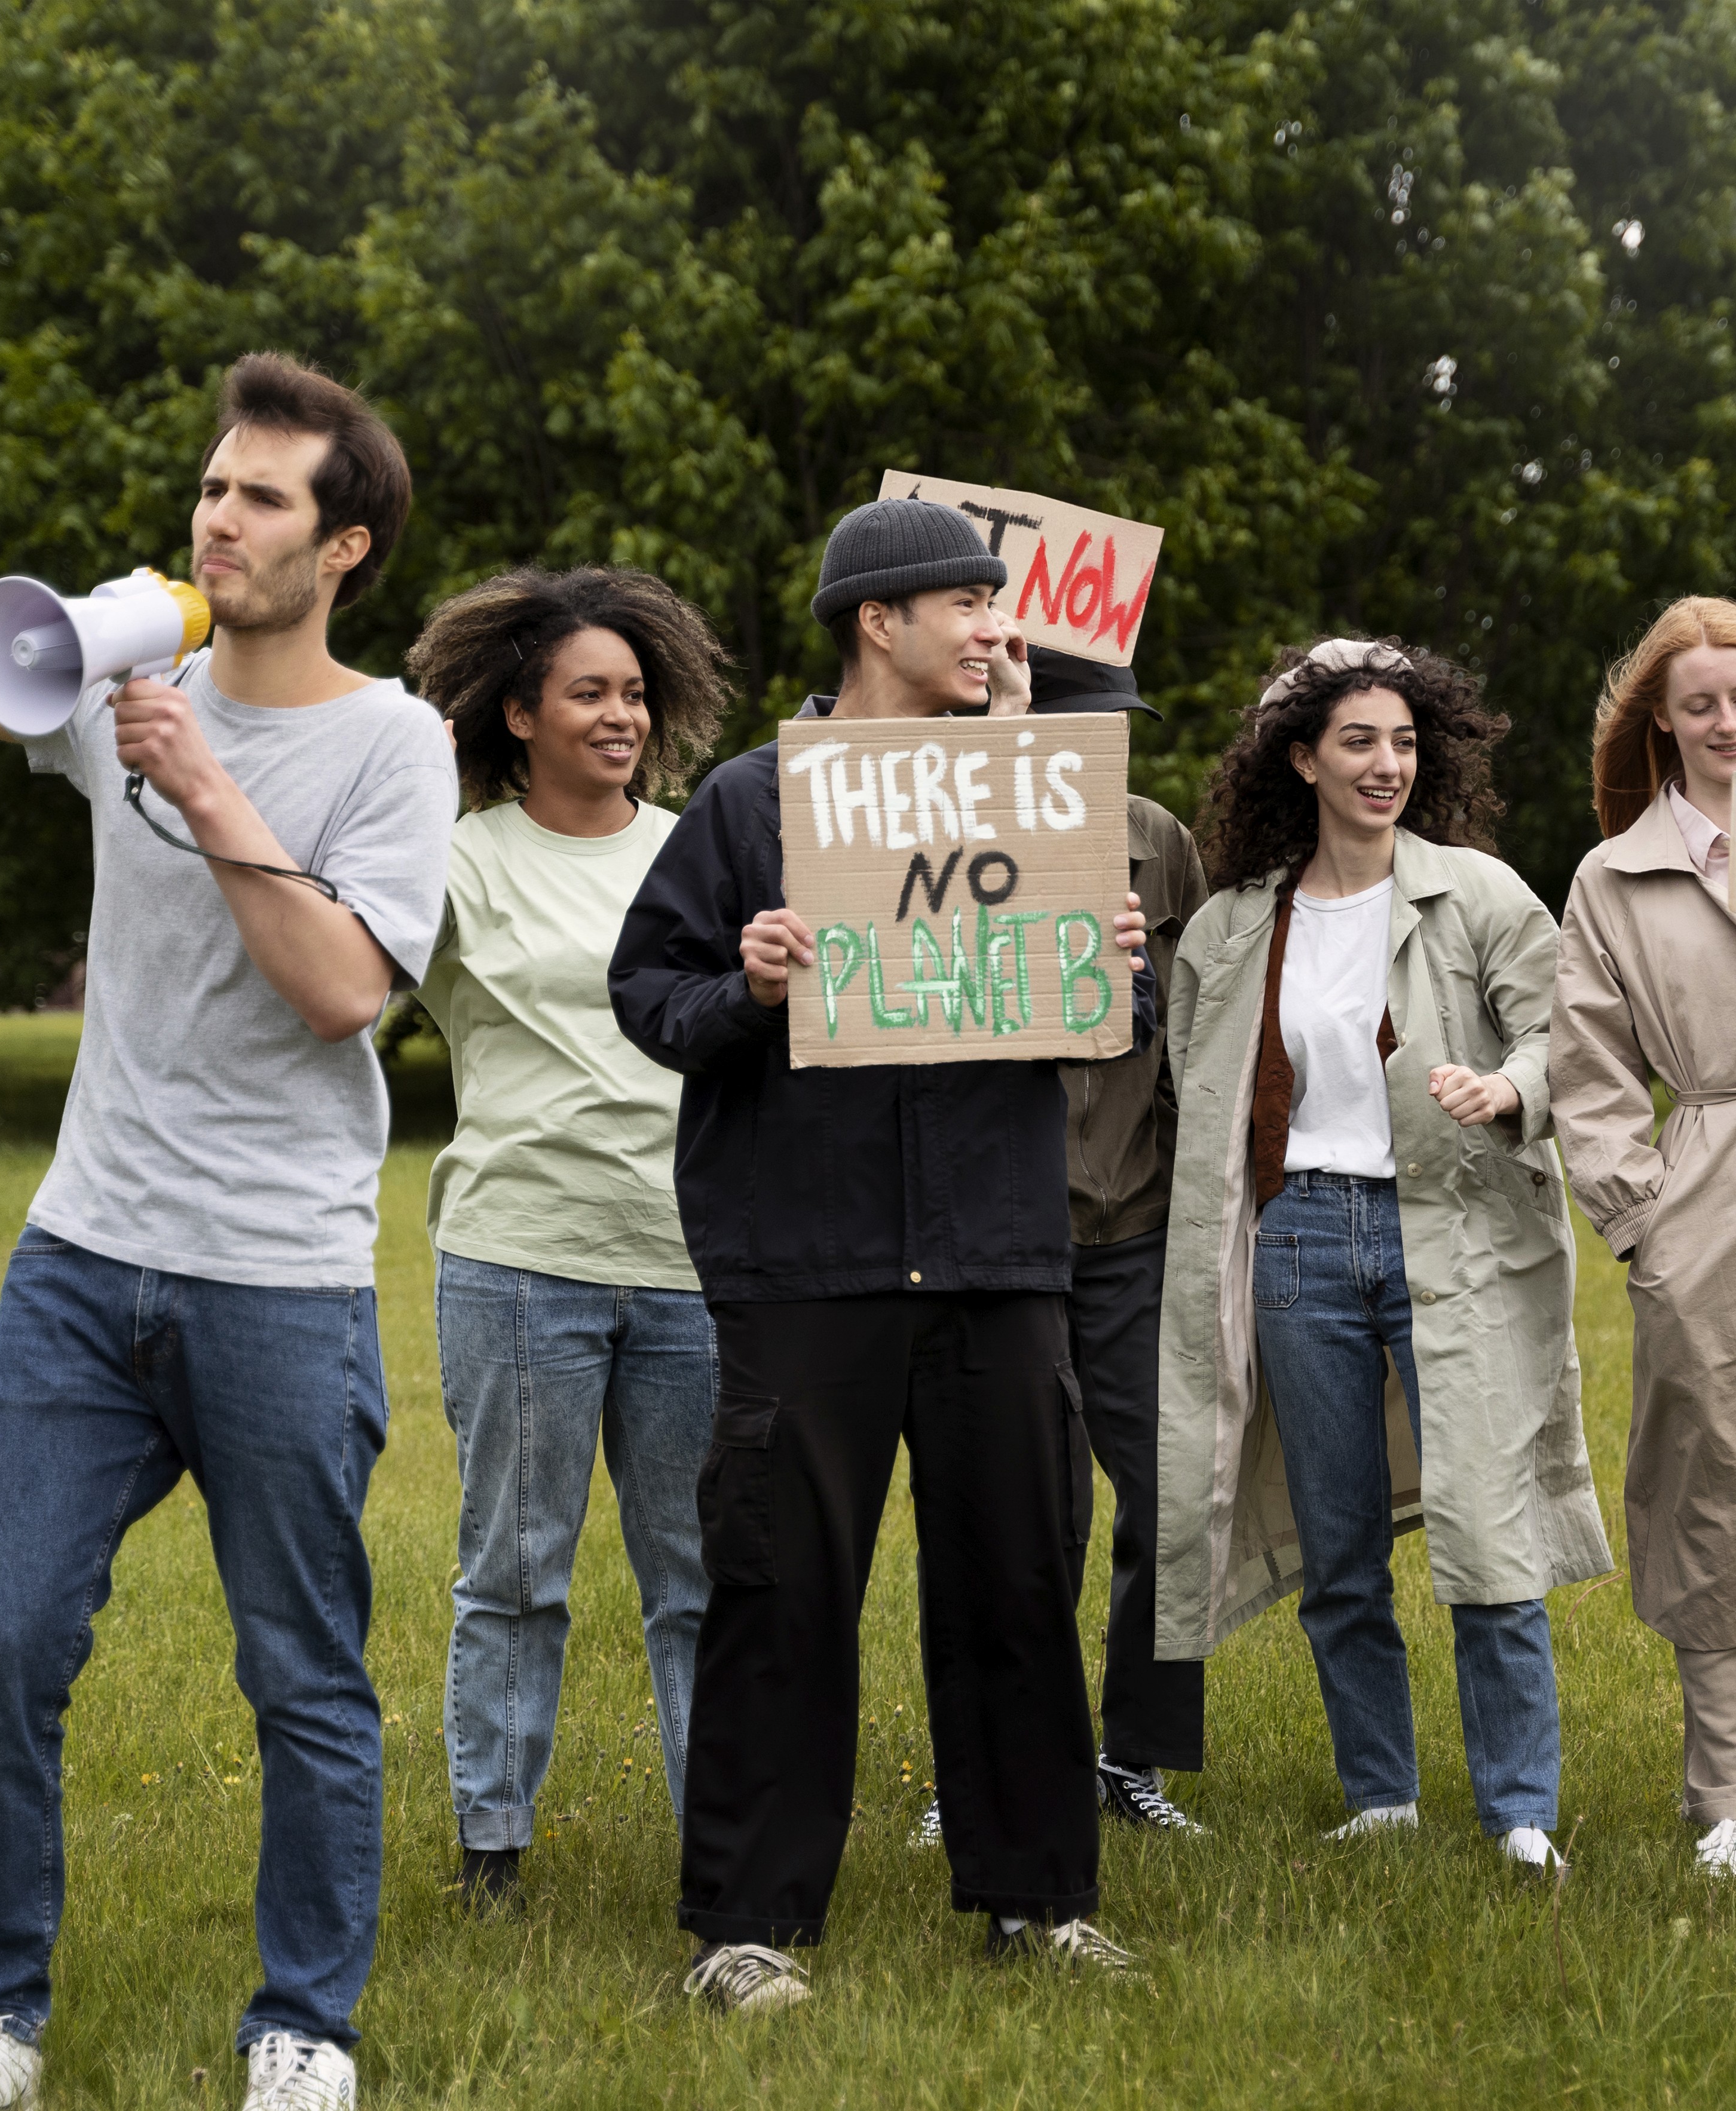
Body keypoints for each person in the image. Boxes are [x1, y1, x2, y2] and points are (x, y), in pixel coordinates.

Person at [0, 351, 448, 2111]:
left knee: (301, 1669)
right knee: (1, 1630)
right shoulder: (124, 677)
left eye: (262, 497)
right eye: (212, 485)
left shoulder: (395, 741)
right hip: (85, 1256)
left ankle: (302, 2027)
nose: (216, 517)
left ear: (347, 548)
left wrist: (206, 786)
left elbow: (340, 993)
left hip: (280, 1276)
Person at [608, 497, 1152, 2012]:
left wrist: (1116, 967)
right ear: (878, 622)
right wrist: (751, 984)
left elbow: (1114, 1023)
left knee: (1016, 1583)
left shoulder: (1044, 794)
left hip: (996, 1258)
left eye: (1002, 606)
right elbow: (648, 995)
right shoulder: (748, 802)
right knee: (781, 1594)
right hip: (808, 1261)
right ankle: (747, 1928)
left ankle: (1036, 1902)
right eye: (970, 606)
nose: (997, 630)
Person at [1154, 638, 1613, 1876]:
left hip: (1451, 1233)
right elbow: (1182, 1080)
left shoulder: (1479, 894)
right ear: (1299, 759)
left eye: (1404, 742)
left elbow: (1561, 1042)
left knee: (1487, 1533)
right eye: (1357, 741)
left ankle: (1519, 1812)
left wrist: (1504, 1088)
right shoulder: (1236, 925)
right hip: (1299, 1238)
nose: (1385, 764)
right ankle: (1383, 1797)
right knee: (1338, 1549)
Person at [403, 566, 734, 1910]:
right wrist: (401, 777)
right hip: (519, 1258)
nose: (621, 718)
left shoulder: (701, 846)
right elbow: (324, 932)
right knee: (514, 1573)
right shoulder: (455, 855)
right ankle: (494, 1846)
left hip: (695, 1261)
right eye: (589, 694)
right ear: (519, 713)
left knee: (701, 1579)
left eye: (636, 695)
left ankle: (722, 1842)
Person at [909, 645, 1213, 1849]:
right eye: (1070, 726)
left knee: (1171, 1497)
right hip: (1000, 1234)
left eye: (1116, 728)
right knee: (1014, 1515)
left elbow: (1190, 1030)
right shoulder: (943, 824)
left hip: (1134, 1227)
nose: (1100, 750)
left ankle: (1131, 1757)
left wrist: (1200, 1205)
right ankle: (980, 1768)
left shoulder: (1158, 840)